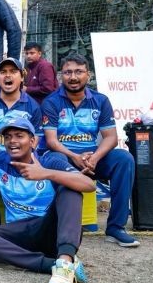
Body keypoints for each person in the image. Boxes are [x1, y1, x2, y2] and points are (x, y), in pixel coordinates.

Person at [0, 117, 94, 283]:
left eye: (19, 136)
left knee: (71, 190)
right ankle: (51, 265)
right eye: (8, 137)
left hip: (49, 230)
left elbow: (88, 184)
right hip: (18, 232)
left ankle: (65, 263)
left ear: (33, 141)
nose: (12, 141)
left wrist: (46, 173)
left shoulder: (50, 162)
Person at [42, 54, 139, 247]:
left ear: (89, 74)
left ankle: (116, 229)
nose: (73, 77)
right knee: (56, 158)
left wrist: (94, 158)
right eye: (68, 72)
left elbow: (111, 137)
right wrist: (74, 157)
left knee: (124, 159)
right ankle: (62, 227)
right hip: (65, 158)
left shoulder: (101, 101)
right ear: (61, 76)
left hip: (92, 159)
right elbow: (51, 141)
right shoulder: (51, 102)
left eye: (79, 72)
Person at [0, 58, 43, 153]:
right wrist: (2, 158)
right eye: (3, 72)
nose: (8, 75)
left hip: (20, 158)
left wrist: (18, 158)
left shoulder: (33, 107)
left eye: (13, 71)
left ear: (22, 77)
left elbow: (35, 139)